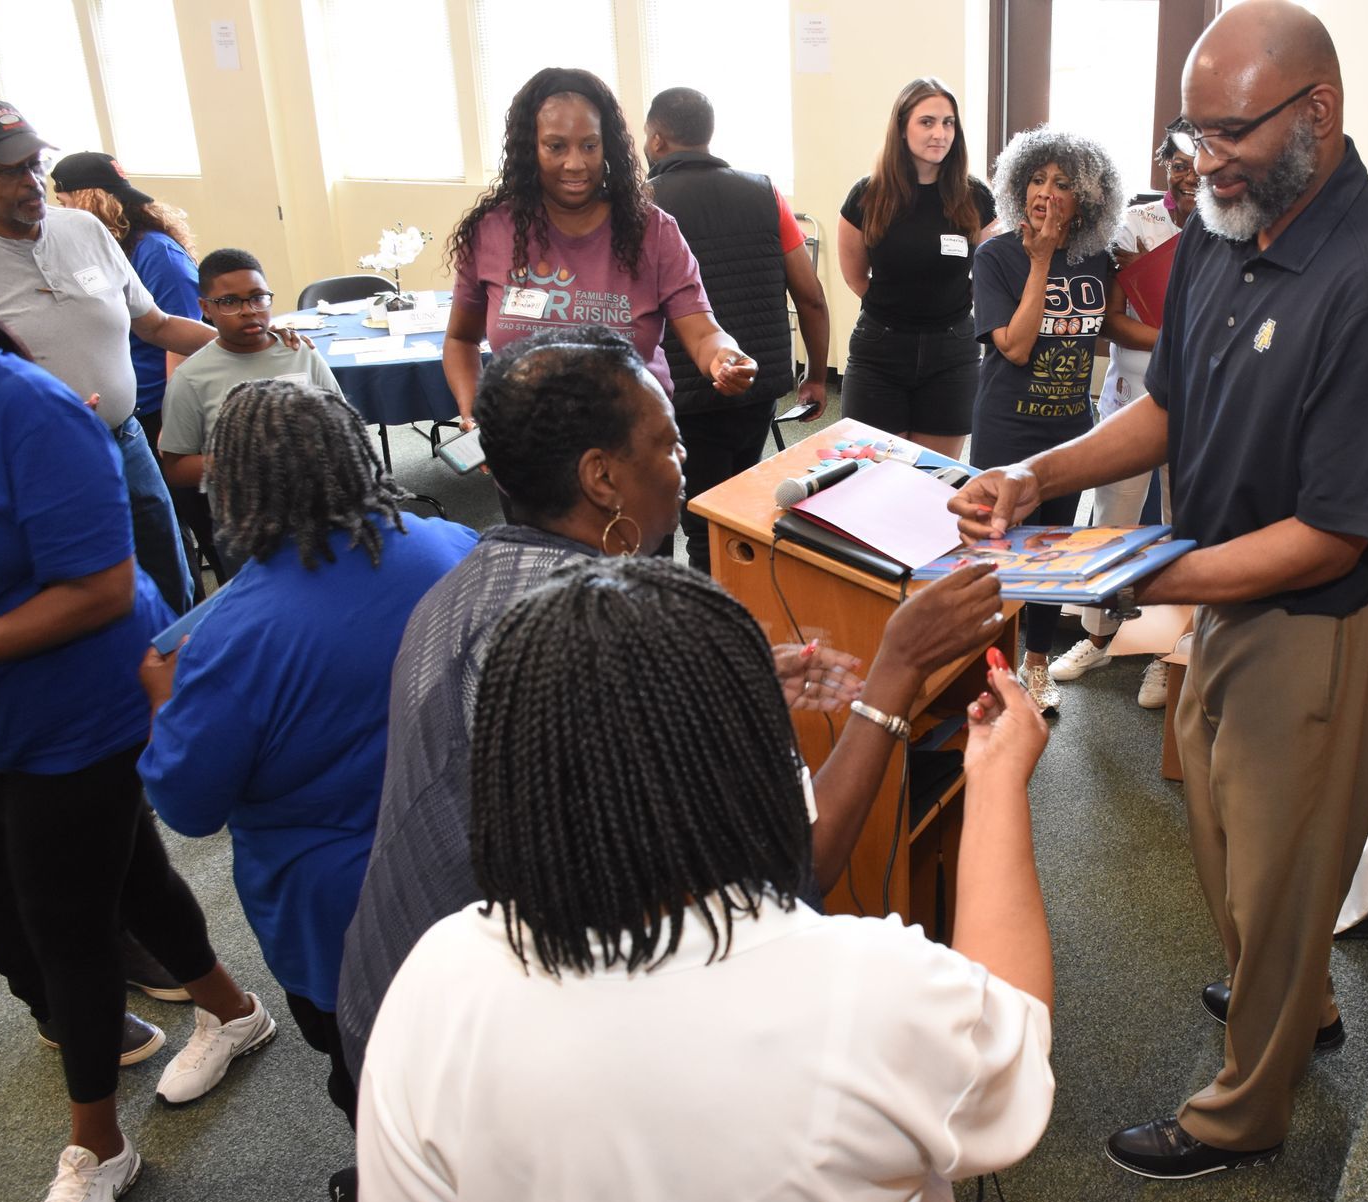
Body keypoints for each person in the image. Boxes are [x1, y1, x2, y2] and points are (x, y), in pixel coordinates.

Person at [949, 0, 1368, 1178]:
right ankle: (1300, 1001)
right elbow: (1166, 408)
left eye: (1229, 131)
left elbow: (1333, 535)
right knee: (1229, 828)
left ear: (1317, 113)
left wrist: (1131, 570)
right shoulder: (1229, 229)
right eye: (1191, 129)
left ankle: (1245, 1109)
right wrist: (1038, 476)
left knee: (1280, 857)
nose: (1203, 158)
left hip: (1326, 618)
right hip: (1228, 590)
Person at [337, 325, 1008, 1087]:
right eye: (666, 443)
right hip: (491, 1070)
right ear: (601, 478)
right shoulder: (615, 654)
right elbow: (790, 875)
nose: (683, 458)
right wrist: (897, 670)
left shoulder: (466, 584)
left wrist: (725, 678)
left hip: (394, 1002)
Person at [357, 557, 1054, 1202]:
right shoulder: (864, 989)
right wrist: (998, 780)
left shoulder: (438, 980)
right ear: (750, 759)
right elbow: (1018, 1049)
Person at [0, 284, 268, 1202]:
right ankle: (233, 1008)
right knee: (124, 872)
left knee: (68, 925)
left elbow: (95, 589)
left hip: (75, 713)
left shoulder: (24, 408)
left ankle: (99, 1143)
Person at [139, 379, 475, 1202]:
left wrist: (159, 700)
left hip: (336, 915)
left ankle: (407, 1191)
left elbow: (188, 805)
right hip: (473, 860)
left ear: (234, 487)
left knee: (371, 1070)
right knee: (475, 1042)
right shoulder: (452, 546)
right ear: (354, 454)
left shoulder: (226, 638)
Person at [0, 97, 208, 615]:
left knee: (172, 580)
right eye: (11, 171)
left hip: (127, 439)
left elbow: (155, 324)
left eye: (36, 164)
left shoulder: (85, 229)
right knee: (90, 600)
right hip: (40, 465)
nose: (33, 181)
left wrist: (252, 338)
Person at [442, 67, 756, 444]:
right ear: (530, 148)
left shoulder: (653, 231)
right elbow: (461, 340)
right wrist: (475, 410)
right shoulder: (491, 231)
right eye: (556, 146)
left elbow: (705, 334)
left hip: (635, 453)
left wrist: (726, 357)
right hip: (525, 456)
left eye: (589, 145)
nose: (575, 164)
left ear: (607, 145)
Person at [643, 85, 831, 573]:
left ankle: (713, 629)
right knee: (743, 509)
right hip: (756, 384)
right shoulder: (764, 191)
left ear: (657, 139)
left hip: (684, 394)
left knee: (702, 524)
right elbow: (810, 296)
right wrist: (815, 374)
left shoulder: (641, 203)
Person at [969, 126, 1124, 713]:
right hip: (1008, 426)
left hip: (1069, 426)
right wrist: (1039, 263)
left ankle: (1037, 667)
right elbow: (1014, 346)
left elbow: (1104, 329)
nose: (1045, 193)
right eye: (1036, 179)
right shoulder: (997, 255)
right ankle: (990, 664)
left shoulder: (1097, 260)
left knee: (1051, 551)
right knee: (999, 548)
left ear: (1085, 198)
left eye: (1062, 184)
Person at [1048, 139, 1198, 710]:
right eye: (1177, 164)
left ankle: (1167, 655)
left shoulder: (1232, 224)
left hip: (1199, 413)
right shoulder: (1136, 224)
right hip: (1132, 399)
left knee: (1182, 531)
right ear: (1163, 164)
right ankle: (1097, 636)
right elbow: (1107, 321)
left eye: (1197, 162)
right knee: (1112, 521)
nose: (1188, 176)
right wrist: (1173, 343)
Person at [49, 151, 216, 598]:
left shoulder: (154, 251)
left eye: (63, 201)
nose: (59, 213)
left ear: (87, 200)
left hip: (161, 411)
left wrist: (175, 419)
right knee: (173, 530)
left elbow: (172, 335)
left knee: (193, 525)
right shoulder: (112, 248)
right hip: (138, 409)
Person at [837, 78, 999, 456]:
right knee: (872, 476)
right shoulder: (868, 195)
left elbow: (990, 271)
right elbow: (856, 276)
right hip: (880, 350)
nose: (940, 133)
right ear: (901, 128)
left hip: (953, 353)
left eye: (948, 123)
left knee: (932, 480)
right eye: (927, 122)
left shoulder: (974, 196)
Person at [157, 248, 342, 578]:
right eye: (229, 302)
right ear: (206, 309)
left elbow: (341, 422)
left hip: (318, 510)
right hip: (246, 527)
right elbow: (175, 466)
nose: (248, 312)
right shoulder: (192, 377)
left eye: (258, 298)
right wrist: (246, 459)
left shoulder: (300, 353)